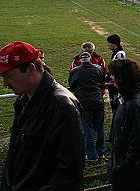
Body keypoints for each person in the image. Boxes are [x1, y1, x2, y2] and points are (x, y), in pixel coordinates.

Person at [0, 41, 85, 190]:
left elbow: (68, 172)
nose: (5, 84)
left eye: (9, 76)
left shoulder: (62, 105)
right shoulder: (23, 101)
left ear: (31, 69)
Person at [108, 58, 140, 191]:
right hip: (124, 174)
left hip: (132, 179)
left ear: (122, 78)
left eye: (113, 74)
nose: (111, 78)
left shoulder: (135, 107)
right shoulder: (123, 99)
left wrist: (121, 168)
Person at [68, 51, 106, 163]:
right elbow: (102, 81)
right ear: (89, 59)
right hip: (98, 101)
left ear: (80, 60)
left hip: (84, 102)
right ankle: (101, 152)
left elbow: (72, 85)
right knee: (99, 127)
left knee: (87, 128)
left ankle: (91, 155)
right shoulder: (98, 68)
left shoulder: (75, 71)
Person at [107, 34, 126, 110]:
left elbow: (119, 69)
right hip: (115, 82)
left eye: (109, 43)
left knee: (116, 105)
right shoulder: (116, 53)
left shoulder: (119, 54)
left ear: (114, 44)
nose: (107, 45)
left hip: (117, 84)